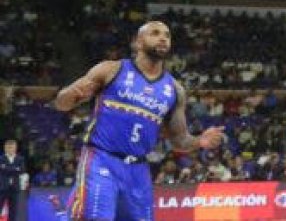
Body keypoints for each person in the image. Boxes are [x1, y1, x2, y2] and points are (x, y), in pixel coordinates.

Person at [51, 21, 225, 220]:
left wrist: (199, 141)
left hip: (139, 170)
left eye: (167, 35)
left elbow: (179, 140)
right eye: (155, 33)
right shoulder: (111, 70)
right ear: (138, 42)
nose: (163, 38)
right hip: (101, 159)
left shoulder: (175, 90)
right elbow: (61, 104)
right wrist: (70, 95)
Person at [0, 139, 25, 221]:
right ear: (5, 148)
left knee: (13, 211)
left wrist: (6, 168)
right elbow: (1, 170)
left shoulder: (20, 159)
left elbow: (21, 170)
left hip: (15, 188)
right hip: (2, 188)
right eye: (8, 147)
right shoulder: (1, 158)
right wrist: (15, 169)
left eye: (12, 147)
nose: (10, 149)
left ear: (15, 148)